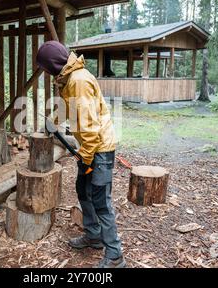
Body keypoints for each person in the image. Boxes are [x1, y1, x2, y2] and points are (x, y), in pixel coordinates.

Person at [36, 41, 125, 268]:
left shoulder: (79, 81)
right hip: (89, 147)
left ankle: (114, 254)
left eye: (45, 68)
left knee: (100, 199)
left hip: (99, 148)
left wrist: (85, 156)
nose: (45, 72)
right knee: (83, 190)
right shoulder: (69, 79)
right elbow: (68, 108)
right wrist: (52, 122)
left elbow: (89, 125)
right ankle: (94, 235)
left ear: (53, 64)